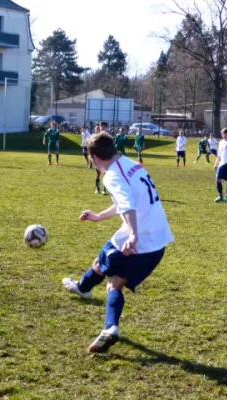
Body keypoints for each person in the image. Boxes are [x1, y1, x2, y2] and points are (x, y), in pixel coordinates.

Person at [62, 132, 174, 353]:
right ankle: (109, 328)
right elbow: (127, 201)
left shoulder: (111, 176)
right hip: (159, 241)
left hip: (137, 238)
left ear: (93, 157)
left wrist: (132, 235)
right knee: (115, 281)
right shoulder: (131, 164)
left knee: (102, 263)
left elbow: (127, 204)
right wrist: (98, 216)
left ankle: (83, 289)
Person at [95, 122, 108, 195]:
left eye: (104, 126)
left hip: (105, 157)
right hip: (98, 157)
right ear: (99, 127)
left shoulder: (107, 137)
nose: (102, 127)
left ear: (106, 128)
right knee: (98, 174)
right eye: (101, 126)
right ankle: (97, 188)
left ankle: (104, 189)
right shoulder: (96, 136)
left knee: (106, 174)